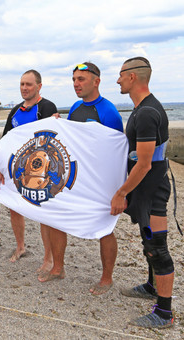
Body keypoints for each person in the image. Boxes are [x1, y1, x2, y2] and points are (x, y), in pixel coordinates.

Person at [40, 62, 123, 297]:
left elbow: (116, 153)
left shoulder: (109, 112)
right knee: (56, 218)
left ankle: (106, 278)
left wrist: (117, 190)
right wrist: (58, 122)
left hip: (99, 183)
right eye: (74, 79)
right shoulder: (75, 107)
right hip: (74, 178)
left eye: (81, 79)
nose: (76, 84)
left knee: (104, 228)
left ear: (96, 81)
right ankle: (58, 268)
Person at [113, 57, 175, 329]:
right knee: (147, 241)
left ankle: (164, 313)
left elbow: (145, 163)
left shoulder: (148, 112)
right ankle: (152, 286)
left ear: (132, 77)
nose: (117, 80)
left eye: (120, 75)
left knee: (156, 247)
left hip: (153, 189)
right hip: (146, 188)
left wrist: (121, 193)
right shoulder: (141, 109)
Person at [0, 70, 57, 271]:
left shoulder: (47, 107)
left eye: (29, 84)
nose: (24, 88)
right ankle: (20, 246)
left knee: (43, 213)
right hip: (16, 168)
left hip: (40, 170)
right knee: (15, 208)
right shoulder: (15, 111)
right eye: (22, 84)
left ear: (39, 86)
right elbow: (6, 141)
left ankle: (48, 258)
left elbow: (55, 141)